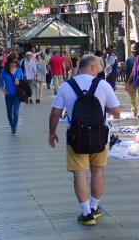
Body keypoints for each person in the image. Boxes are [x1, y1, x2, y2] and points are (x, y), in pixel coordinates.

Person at [48, 54, 121, 226]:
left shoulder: (67, 86)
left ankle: (86, 213)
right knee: (98, 171)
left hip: (76, 137)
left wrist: (52, 133)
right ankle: (95, 207)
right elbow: (116, 111)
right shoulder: (103, 85)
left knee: (80, 173)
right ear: (93, 67)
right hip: (100, 137)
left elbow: (54, 113)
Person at [0, 56, 23, 135]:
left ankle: (14, 129)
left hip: (17, 95)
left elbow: (23, 82)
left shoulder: (19, 70)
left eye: (15, 62)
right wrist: (5, 92)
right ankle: (12, 124)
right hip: (8, 95)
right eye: (11, 62)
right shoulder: (3, 71)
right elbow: (1, 83)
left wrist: (19, 83)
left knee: (15, 112)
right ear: (8, 62)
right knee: (9, 113)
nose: (13, 64)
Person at [123, 48, 139, 117]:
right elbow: (127, 72)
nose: (134, 52)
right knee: (133, 97)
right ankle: (134, 111)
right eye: (133, 50)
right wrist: (127, 82)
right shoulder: (129, 60)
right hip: (132, 80)